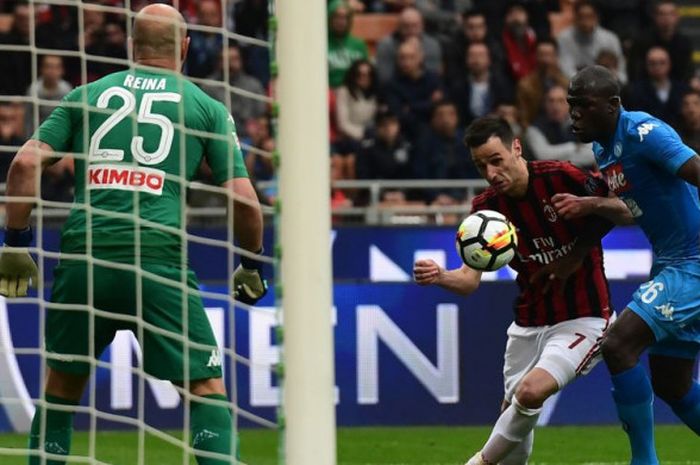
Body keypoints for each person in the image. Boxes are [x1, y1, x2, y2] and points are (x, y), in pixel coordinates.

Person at [0, 5, 267, 465]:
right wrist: (251, 263)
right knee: (204, 389)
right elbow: (243, 199)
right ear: (184, 47)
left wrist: (16, 244)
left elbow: (24, 163)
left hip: (86, 257)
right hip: (157, 258)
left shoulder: (89, 93)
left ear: (131, 47)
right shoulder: (205, 105)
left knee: (60, 388)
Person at [414, 116, 632, 465]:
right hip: (528, 324)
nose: (490, 172)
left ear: (516, 148)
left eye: (496, 160)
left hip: (586, 317)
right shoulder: (485, 211)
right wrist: (440, 275)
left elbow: (625, 209)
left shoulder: (561, 176)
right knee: (512, 412)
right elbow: (469, 281)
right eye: (481, 165)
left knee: (530, 393)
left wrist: (576, 250)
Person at [550, 64, 700, 464]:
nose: (574, 114)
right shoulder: (604, 148)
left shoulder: (644, 133)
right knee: (672, 382)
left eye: (584, 105)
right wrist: (591, 210)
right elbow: (638, 207)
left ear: (613, 105)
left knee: (618, 344)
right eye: (571, 105)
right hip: (672, 262)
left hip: (694, 261)